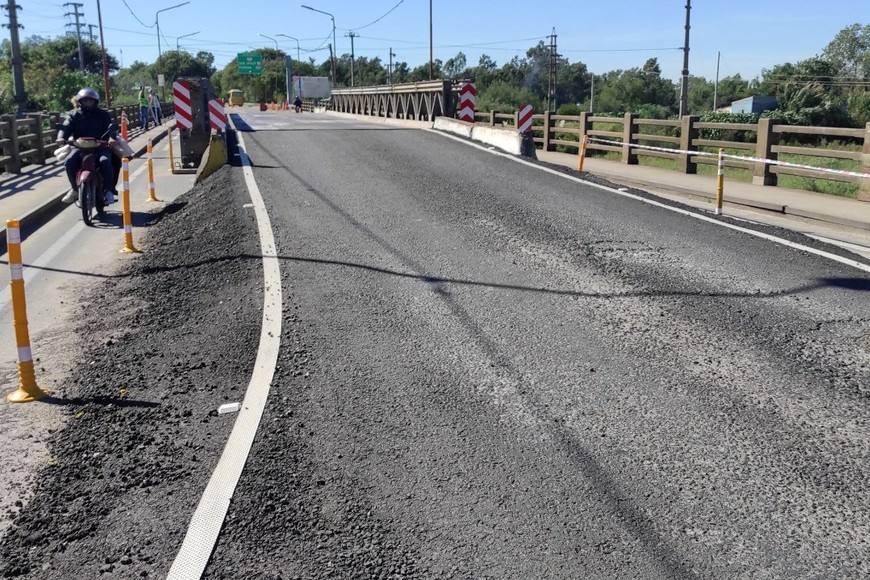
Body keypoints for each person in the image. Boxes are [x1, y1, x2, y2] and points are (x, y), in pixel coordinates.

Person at [58, 88, 120, 205]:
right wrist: (61, 137)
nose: (88, 103)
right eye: (86, 101)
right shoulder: (73, 114)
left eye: (91, 101)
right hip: (80, 147)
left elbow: (111, 128)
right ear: (80, 101)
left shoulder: (103, 114)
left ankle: (109, 191)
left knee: (105, 161)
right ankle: (74, 189)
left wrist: (112, 138)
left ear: (95, 101)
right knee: (69, 161)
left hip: (101, 146)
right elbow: (66, 127)